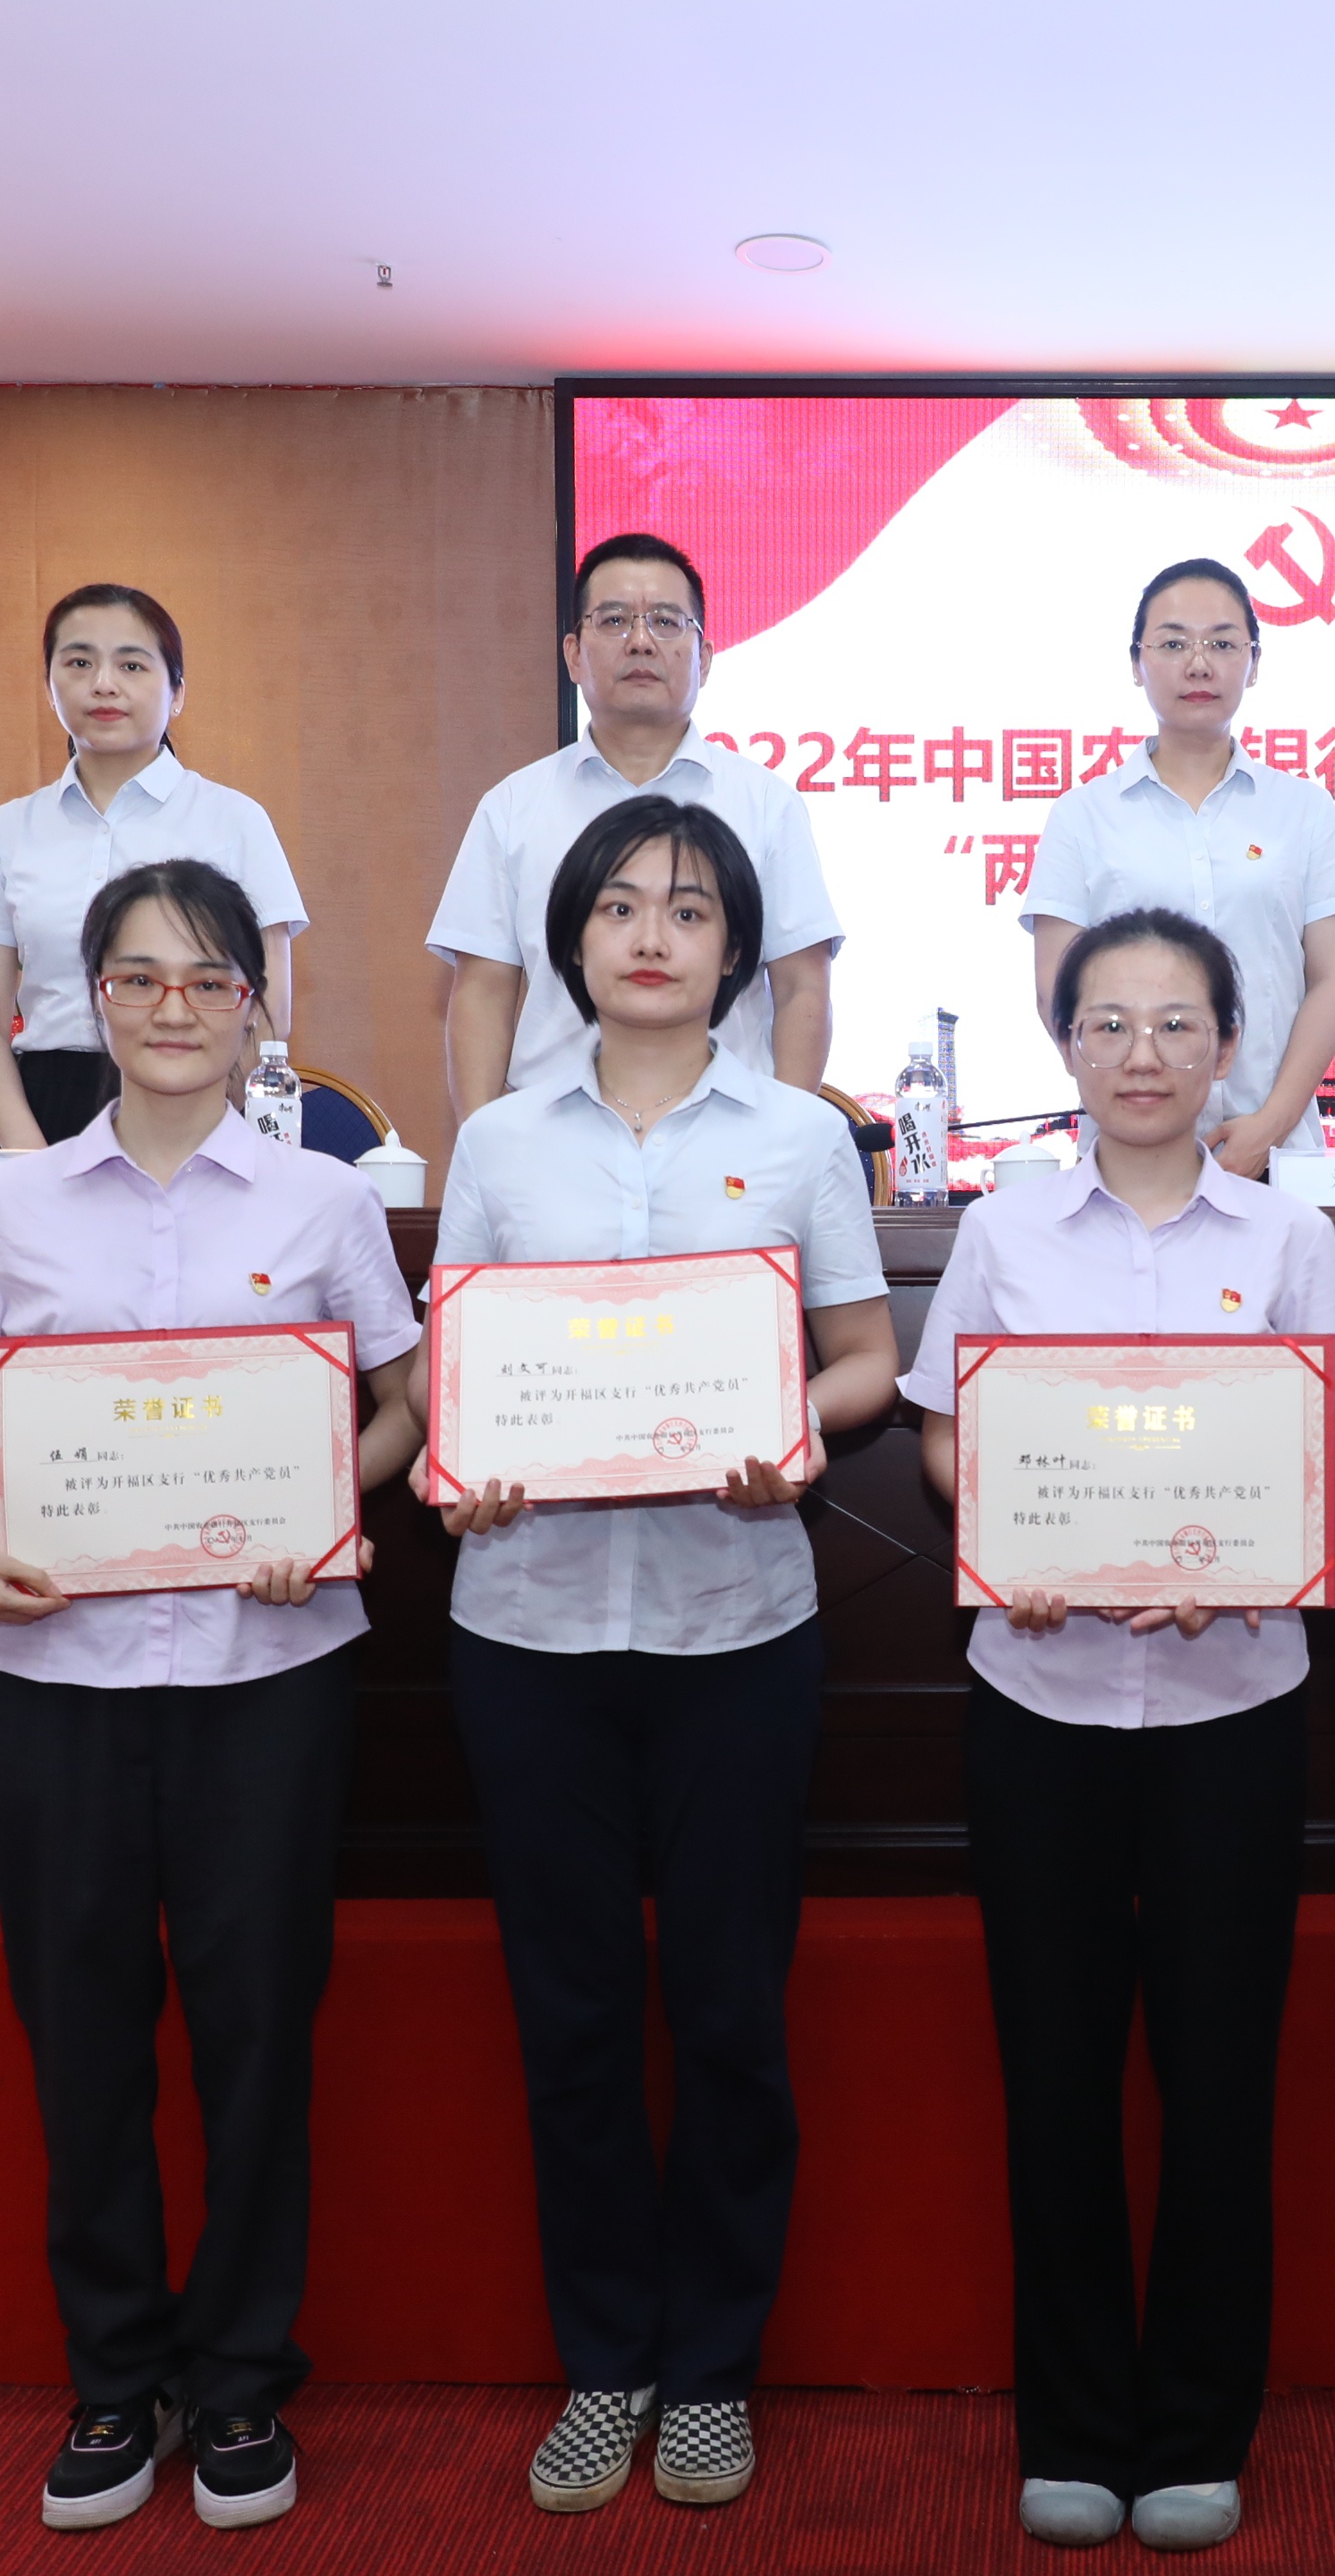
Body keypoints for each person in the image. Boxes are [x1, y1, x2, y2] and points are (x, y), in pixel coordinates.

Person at [0, 857, 422, 2535]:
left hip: (268, 1678)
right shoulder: (12, 1206)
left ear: (254, 1007)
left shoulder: (322, 1203)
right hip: (54, 1680)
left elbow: (403, 1406)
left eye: (207, 980)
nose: (174, 1009)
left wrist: (325, 1502)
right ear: (92, 1003)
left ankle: (244, 2375)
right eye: (140, 979)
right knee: (83, 2041)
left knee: (259, 2037)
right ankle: (116, 2378)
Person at [413, 795, 900, 2521]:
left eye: (687, 911)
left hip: (732, 1626)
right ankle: (603, 2361)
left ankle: (708, 2372)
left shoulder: (797, 1136)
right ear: (569, 939)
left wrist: (796, 1432)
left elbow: (862, 1354)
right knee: (569, 2018)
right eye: (618, 905)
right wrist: (454, 1466)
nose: (649, 935)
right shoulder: (498, 1143)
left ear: (735, 949)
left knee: (725, 2013)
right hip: (529, 1630)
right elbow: (456, 1370)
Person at [900, 908, 1335, 2555]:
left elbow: (1332, 1454)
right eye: (1108, 1024)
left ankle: (1193, 2425)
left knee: (1218, 2072)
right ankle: (1073, 2423)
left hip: (1234, 1703)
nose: (1144, 1054)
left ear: (1229, 1046)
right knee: (1055, 2070)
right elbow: (948, 1437)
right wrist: (1012, 1536)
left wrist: (1234, 1557)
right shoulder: (1004, 1229)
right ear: (1066, 1049)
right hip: (1040, 1700)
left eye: (1178, 1024)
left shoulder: (1285, 1235)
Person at [427, 531, 843, 1132]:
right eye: (615, 620)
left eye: (667, 622)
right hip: (554, 1140)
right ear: (574, 654)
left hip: (727, 1144)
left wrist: (783, 1145)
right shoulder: (512, 807)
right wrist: (487, 1150)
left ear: (704, 658)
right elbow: (482, 992)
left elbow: (804, 987)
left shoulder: (766, 805)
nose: (642, 641)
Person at [1025, 560, 1335, 1182]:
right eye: (1173, 643)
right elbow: (1057, 989)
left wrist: (1268, 1128)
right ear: (1137, 662)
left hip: (1278, 1159)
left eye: (1222, 643)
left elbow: (1332, 982)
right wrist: (1137, 1118)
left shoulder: (1304, 811)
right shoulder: (1083, 816)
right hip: (1127, 1160)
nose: (1198, 664)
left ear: (1254, 662)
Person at [0, 586, 308, 1147]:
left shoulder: (235, 820)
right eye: (79, 662)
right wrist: (32, 1162)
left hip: (194, 1105)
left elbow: (268, 1007)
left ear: (177, 692)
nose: (103, 684)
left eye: (131, 665)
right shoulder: (8, 830)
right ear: (49, 688)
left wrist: (207, 1137)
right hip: (44, 1113)